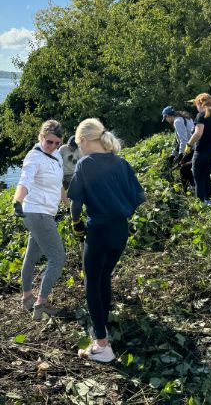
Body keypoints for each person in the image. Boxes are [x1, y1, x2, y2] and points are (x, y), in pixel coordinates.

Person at [67, 118, 146, 363]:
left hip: (99, 231)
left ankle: (102, 345)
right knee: (104, 276)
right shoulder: (121, 163)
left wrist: (76, 225)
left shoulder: (85, 164)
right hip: (120, 231)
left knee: (92, 282)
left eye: (78, 143)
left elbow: (75, 204)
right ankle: (104, 319)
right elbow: (139, 196)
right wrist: (119, 210)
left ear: (83, 141)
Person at [12, 120, 67, 321]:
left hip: (44, 213)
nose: (53, 146)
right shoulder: (33, 157)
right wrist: (17, 200)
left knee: (32, 254)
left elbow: (59, 184)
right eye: (49, 142)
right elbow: (24, 181)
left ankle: (27, 298)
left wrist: (67, 204)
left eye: (57, 143)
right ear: (41, 137)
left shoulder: (57, 156)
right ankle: (40, 305)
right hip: (37, 213)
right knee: (58, 258)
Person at [184, 93, 211, 204]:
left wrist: (189, 145)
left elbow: (198, 133)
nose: (196, 107)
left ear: (200, 103)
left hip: (203, 152)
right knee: (206, 175)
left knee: (199, 179)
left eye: (196, 104)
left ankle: (200, 205)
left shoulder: (201, 115)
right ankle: (207, 201)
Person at [161, 105, 194, 191]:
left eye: (166, 119)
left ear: (167, 116)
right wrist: (173, 155)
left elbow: (183, 140)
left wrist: (181, 155)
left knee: (183, 171)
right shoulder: (185, 118)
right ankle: (194, 188)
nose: (167, 121)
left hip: (190, 149)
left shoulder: (177, 121)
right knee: (187, 170)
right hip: (194, 147)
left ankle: (186, 192)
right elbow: (177, 141)